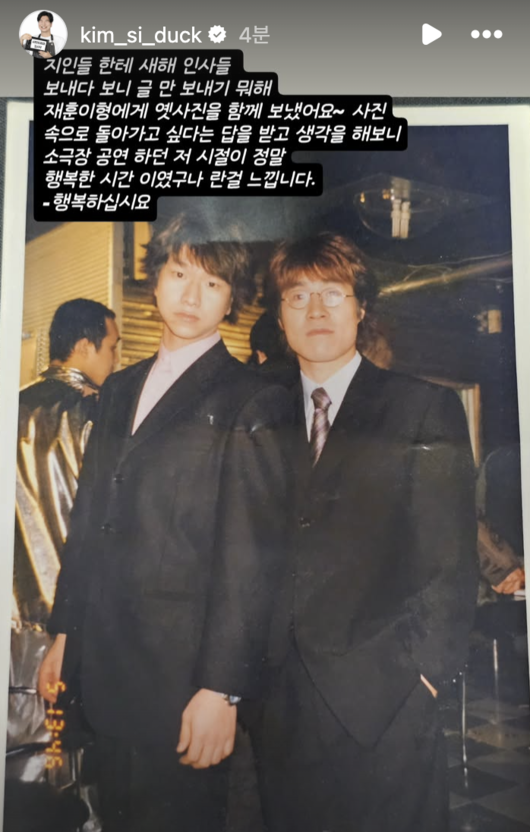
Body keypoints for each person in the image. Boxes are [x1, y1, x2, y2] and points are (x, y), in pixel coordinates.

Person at [38, 214, 292, 832]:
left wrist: (221, 690)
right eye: (179, 274)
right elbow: (89, 518)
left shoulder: (251, 397)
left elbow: (250, 559)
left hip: (184, 681)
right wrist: (65, 634)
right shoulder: (117, 388)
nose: (191, 295)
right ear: (155, 280)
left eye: (212, 283)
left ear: (232, 300)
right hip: (105, 668)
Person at [252, 232, 478, 832]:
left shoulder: (421, 409)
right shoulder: (259, 414)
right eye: (298, 296)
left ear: (361, 308)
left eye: (333, 293)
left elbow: (449, 560)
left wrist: (423, 678)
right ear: (280, 317)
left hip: (387, 701)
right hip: (279, 705)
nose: (316, 310)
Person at [14, 298, 119, 624]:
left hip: (14, 614)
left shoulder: (13, 404)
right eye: (112, 347)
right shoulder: (93, 412)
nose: (116, 360)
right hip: (72, 614)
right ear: (86, 347)